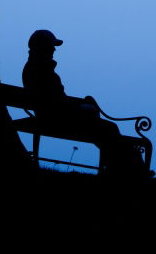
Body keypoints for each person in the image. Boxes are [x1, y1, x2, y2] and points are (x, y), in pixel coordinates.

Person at [22, 29, 143, 175]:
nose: (54, 49)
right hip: (58, 120)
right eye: (51, 46)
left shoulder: (38, 69)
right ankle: (130, 170)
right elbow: (55, 102)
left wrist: (81, 104)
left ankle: (124, 168)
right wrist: (80, 107)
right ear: (42, 47)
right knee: (108, 128)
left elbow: (55, 100)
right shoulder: (41, 71)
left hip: (56, 117)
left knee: (105, 128)